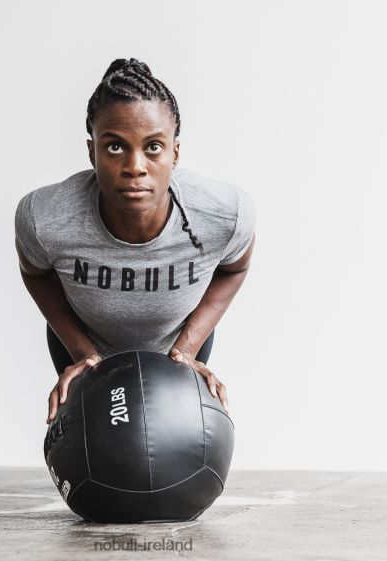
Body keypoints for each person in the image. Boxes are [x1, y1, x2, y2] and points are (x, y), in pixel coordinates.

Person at [14, 58, 256, 425]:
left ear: (175, 153)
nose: (135, 166)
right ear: (92, 151)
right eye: (115, 147)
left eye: (153, 147)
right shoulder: (45, 217)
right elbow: (36, 273)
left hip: (176, 347)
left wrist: (187, 350)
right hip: (86, 345)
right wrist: (83, 355)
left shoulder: (222, 214)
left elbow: (234, 267)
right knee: (97, 452)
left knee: (173, 445)